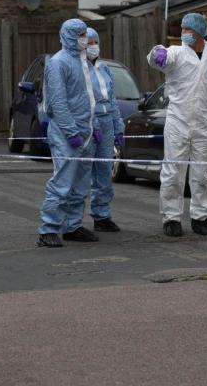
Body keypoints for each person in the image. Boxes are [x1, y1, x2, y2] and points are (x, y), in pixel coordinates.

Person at [147, 12, 207, 237]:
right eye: (183, 29)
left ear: (199, 32)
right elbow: (161, 56)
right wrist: (156, 54)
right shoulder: (177, 53)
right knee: (173, 171)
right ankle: (171, 218)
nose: (184, 33)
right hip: (178, 120)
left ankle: (200, 216)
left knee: (201, 173)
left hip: (204, 123)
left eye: (188, 29)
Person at [37, 18, 100, 248]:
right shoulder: (58, 62)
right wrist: (71, 131)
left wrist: (94, 129)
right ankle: (48, 229)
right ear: (69, 36)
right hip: (67, 134)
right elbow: (58, 103)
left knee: (81, 184)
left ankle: (73, 226)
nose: (85, 38)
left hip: (85, 131)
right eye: (81, 34)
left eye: (85, 33)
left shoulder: (83, 61)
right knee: (62, 182)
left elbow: (89, 100)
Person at [85, 28, 126, 232]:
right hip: (88, 124)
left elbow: (112, 100)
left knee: (104, 173)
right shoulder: (79, 69)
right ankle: (71, 222)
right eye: (89, 42)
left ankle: (101, 216)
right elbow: (81, 101)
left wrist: (118, 127)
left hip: (107, 122)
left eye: (96, 42)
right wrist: (91, 124)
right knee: (82, 173)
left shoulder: (104, 68)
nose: (93, 46)